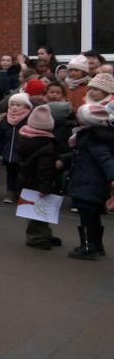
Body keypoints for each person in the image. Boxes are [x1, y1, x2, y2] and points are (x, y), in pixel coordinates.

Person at [66, 103, 114, 260]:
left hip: (88, 183)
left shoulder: (93, 139)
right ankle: (97, 245)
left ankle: (87, 246)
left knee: (86, 215)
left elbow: (105, 159)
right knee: (92, 215)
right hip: (91, 182)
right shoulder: (97, 136)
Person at [17, 105, 62, 251]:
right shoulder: (45, 146)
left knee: (33, 210)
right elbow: (45, 169)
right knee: (39, 211)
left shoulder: (24, 137)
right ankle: (37, 237)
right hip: (38, 181)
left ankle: (43, 234)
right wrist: (45, 186)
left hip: (26, 178)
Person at [0, 92, 33, 204]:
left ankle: (21, 193)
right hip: (8, 152)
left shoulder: (29, 120)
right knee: (10, 174)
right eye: (12, 104)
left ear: (26, 106)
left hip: (22, 153)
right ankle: (10, 192)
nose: (14, 107)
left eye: (18, 105)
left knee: (22, 175)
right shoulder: (5, 120)